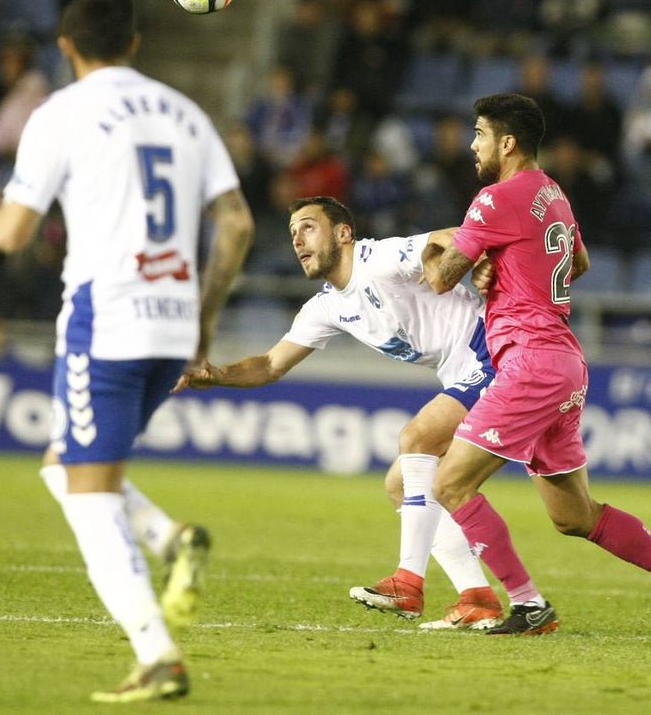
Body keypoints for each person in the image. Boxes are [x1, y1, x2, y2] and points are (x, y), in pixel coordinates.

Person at [0, 0, 254, 703]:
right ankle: (169, 539)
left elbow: (13, 234)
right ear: (134, 42)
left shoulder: (60, 112)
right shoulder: (186, 113)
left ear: (66, 47)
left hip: (108, 319)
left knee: (86, 494)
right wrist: (206, 325)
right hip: (173, 321)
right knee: (64, 463)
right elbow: (240, 224)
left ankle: (158, 655)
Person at [421, 93, 651, 638]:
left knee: (449, 482)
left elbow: (442, 277)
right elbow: (579, 262)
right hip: (564, 362)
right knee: (574, 517)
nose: (473, 145)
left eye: (479, 134)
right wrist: (505, 266)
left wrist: (436, 247)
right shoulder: (552, 194)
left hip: (531, 364)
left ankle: (528, 605)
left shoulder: (494, 200)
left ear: (507, 143)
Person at [173, 196, 553, 633]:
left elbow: (452, 237)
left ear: (343, 233)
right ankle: (477, 597)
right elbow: (271, 364)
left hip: (496, 353)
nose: (297, 239)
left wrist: (486, 261)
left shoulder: (380, 257)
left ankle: (408, 581)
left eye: (308, 227)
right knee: (401, 485)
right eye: (292, 232)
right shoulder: (327, 306)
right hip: (462, 372)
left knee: (416, 439)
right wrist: (216, 374)